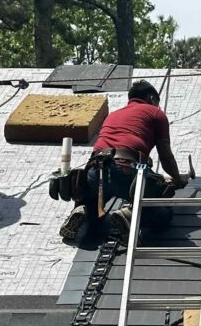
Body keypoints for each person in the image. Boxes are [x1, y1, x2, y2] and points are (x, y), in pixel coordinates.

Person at [59, 80, 189, 242]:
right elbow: (165, 156)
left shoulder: (113, 115)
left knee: (96, 217)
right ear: (152, 98)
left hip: (94, 170)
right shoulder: (155, 113)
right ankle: (129, 213)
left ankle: (83, 210)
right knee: (163, 215)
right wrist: (176, 179)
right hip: (127, 170)